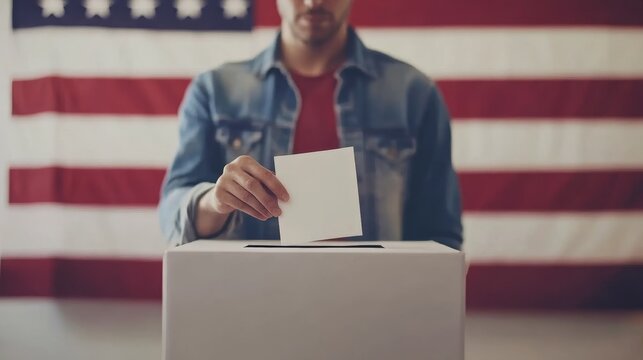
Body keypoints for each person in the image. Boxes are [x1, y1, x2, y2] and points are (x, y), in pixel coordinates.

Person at [158, 0, 463, 249]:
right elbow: (172, 213)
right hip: (250, 300)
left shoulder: (413, 93)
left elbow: (440, 232)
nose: (313, 2)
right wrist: (215, 201)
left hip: (376, 303)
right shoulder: (215, 90)